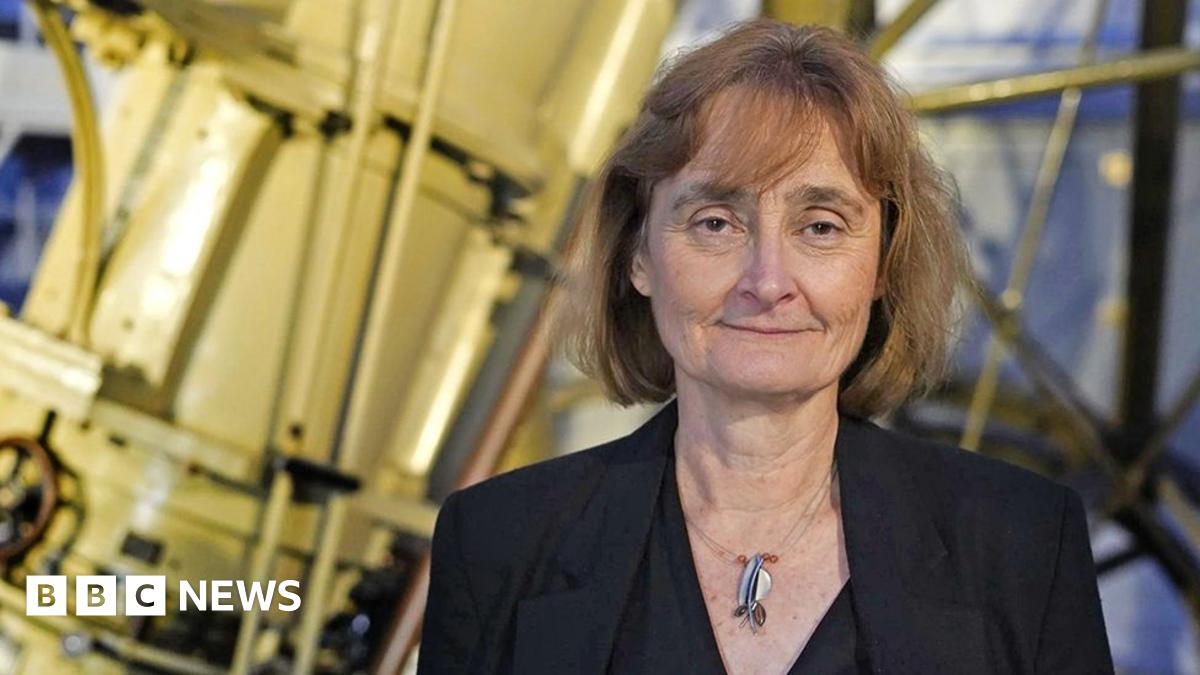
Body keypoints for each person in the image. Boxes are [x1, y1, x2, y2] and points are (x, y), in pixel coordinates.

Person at [418, 18, 1113, 674]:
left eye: (820, 226)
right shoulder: (497, 544)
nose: (768, 281)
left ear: (882, 264)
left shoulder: (1022, 544)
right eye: (717, 221)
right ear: (638, 256)